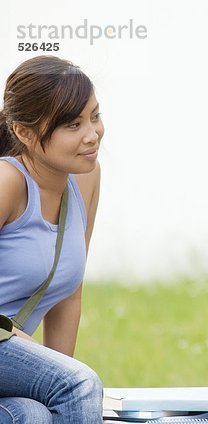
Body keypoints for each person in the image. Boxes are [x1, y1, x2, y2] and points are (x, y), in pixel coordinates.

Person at [0, 56, 104, 423]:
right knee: (79, 383)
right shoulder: (6, 182)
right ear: (24, 132)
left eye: (94, 116)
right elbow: (72, 382)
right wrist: (67, 378)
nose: (92, 134)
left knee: (32, 415)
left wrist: (59, 371)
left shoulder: (85, 177)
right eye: (73, 124)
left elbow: (68, 292)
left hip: (10, 353)